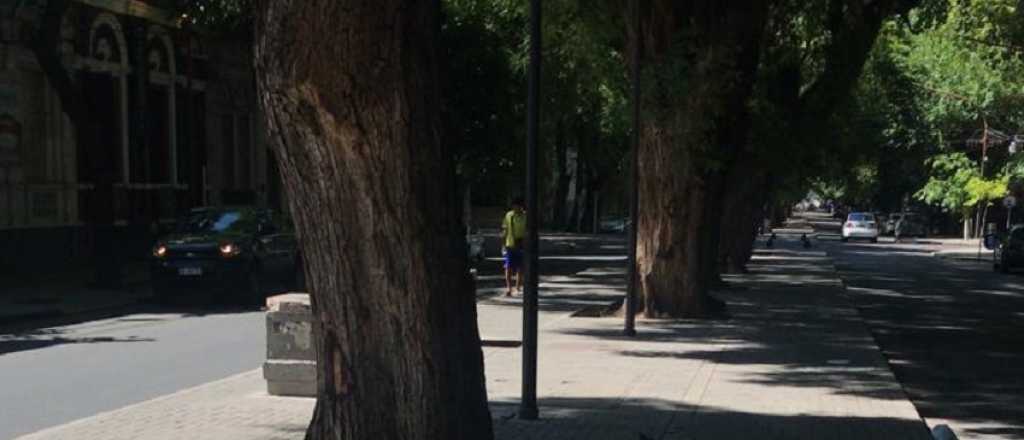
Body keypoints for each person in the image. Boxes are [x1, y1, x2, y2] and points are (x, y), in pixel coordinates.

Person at [501, 196, 527, 296]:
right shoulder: (509, 215)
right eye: (514, 206)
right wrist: (503, 244)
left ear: (522, 206)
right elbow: (505, 230)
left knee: (520, 267)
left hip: (522, 245)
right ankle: (509, 288)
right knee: (508, 267)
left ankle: (518, 287)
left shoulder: (526, 216)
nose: (516, 208)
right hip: (510, 244)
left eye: (518, 206)